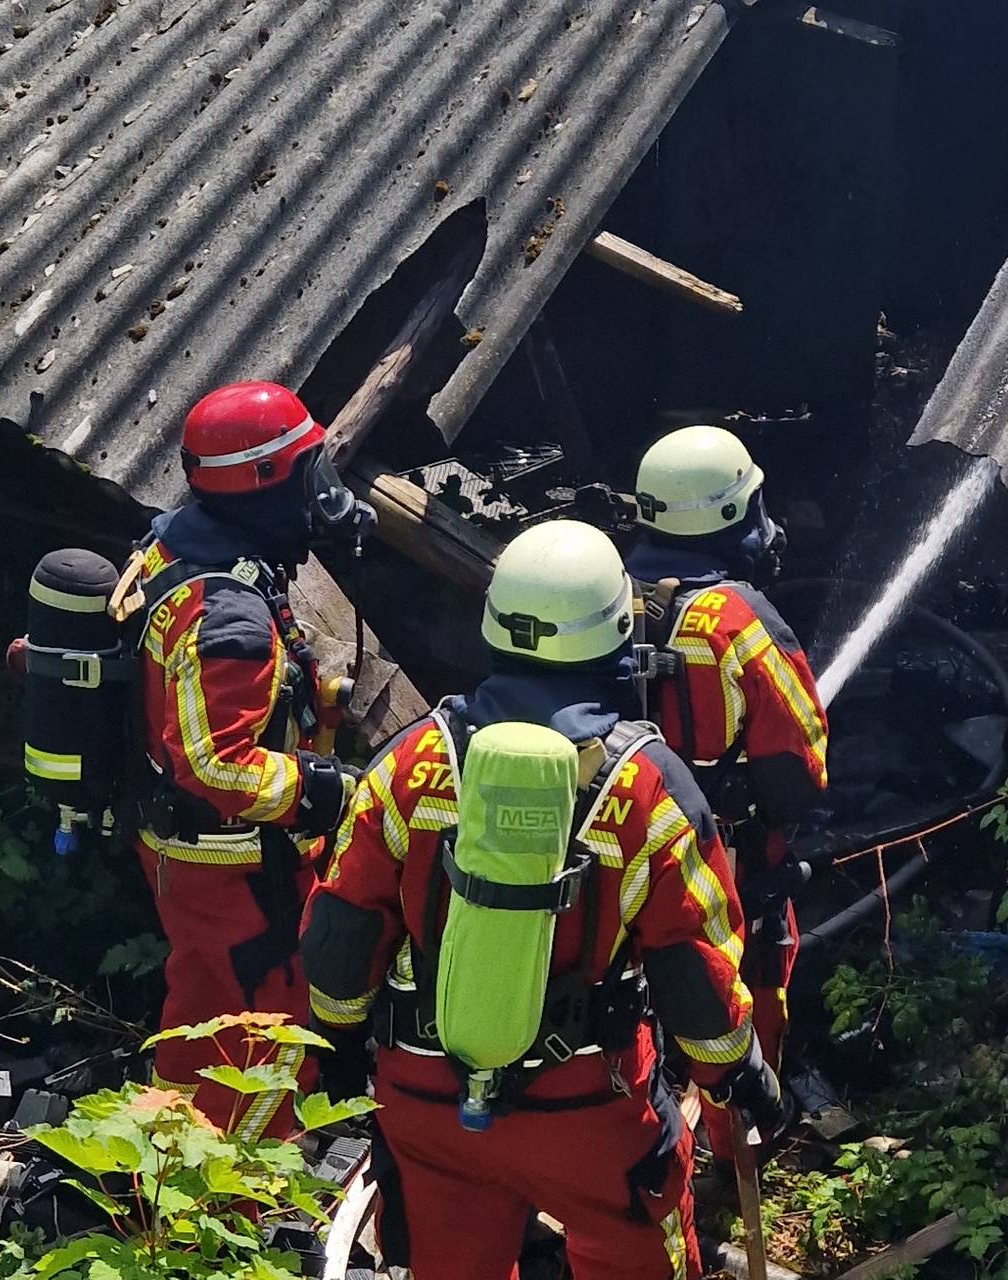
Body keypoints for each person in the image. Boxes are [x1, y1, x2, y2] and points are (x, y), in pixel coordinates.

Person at [302, 520, 784, 1280]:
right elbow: (696, 970)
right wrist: (736, 1076)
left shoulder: (412, 761)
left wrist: (335, 1051)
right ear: (619, 635)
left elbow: (340, 929)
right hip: (588, 1108)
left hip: (427, 1101)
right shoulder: (648, 785)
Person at [128, 379, 367, 1137]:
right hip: (233, 864)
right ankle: (227, 1199)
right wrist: (329, 788)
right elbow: (216, 765)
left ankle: (156, 1163)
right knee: (266, 1029)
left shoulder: (173, 542)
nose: (321, 491)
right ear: (266, 481)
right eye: (309, 472)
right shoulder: (227, 613)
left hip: (184, 851)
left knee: (200, 1010)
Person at [624, 426, 831, 1069]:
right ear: (734, 514)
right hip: (731, 865)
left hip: (618, 850)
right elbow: (801, 772)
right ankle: (745, 1132)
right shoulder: (739, 621)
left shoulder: (600, 598)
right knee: (740, 988)